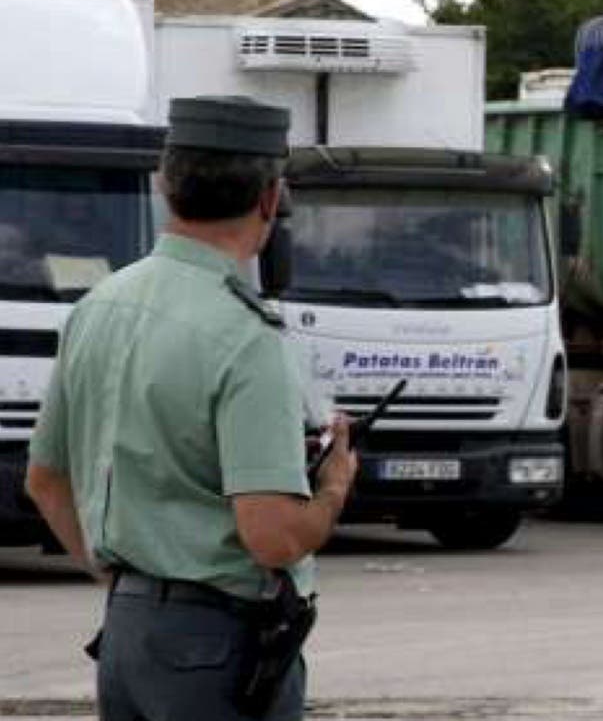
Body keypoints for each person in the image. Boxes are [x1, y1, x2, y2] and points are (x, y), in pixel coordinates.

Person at [24, 95, 359, 721]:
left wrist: (133, 586)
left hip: (128, 633)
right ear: (270, 200)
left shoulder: (99, 306)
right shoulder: (245, 336)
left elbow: (45, 481)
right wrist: (334, 488)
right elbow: (274, 537)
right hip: (219, 646)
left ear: (164, 184)